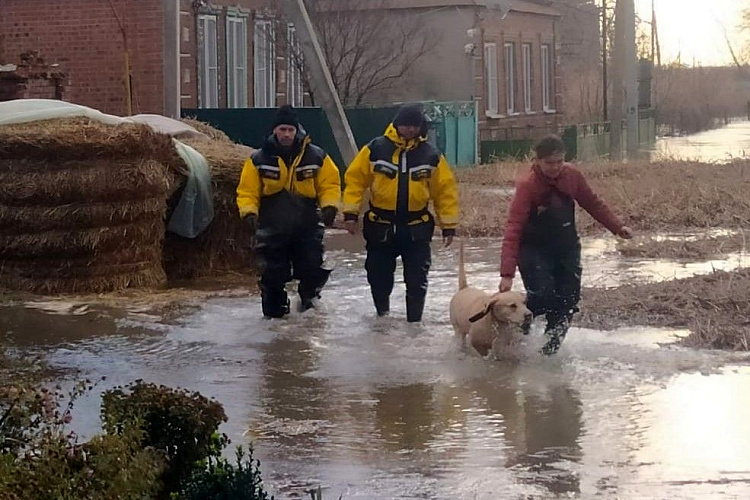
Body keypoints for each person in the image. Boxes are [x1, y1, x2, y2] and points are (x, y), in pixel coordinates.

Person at [499, 134, 633, 355]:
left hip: (566, 247)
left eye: (560, 161)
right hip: (533, 249)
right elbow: (513, 227)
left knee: (568, 301)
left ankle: (548, 353)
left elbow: (593, 202)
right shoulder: (528, 186)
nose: (555, 167)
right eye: (549, 163)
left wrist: (617, 227)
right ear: (537, 161)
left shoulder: (572, 176)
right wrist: (507, 273)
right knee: (542, 295)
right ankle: (518, 336)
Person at [342, 103, 459, 322]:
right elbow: (354, 181)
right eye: (406, 125)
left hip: (417, 227)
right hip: (380, 226)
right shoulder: (375, 149)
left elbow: (445, 192)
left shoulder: (431, 155)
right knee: (378, 276)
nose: (411, 130)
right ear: (397, 124)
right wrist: (350, 213)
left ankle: (414, 325)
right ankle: (382, 318)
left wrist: (449, 226)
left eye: (415, 126)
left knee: (417, 279)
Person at [236, 104, 341, 318]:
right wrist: (248, 212)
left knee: (313, 267)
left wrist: (330, 206)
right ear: (275, 130)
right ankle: (275, 319)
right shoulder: (258, 159)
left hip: (308, 225)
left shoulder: (317, 156)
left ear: (297, 130)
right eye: (282, 129)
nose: (286, 134)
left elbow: (330, 185)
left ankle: (308, 304)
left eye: (290, 130)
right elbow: (247, 191)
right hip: (272, 227)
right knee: (271, 275)